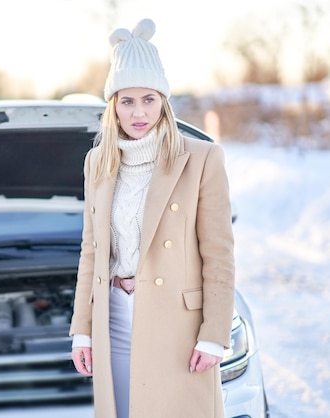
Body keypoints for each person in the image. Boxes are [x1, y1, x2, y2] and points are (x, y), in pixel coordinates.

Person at [69, 19, 235, 418]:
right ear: (113, 106)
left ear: (163, 100)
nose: (139, 112)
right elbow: (91, 252)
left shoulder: (201, 159)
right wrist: (82, 329)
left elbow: (219, 254)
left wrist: (213, 335)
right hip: (114, 318)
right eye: (127, 101)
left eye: (149, 99)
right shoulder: (98, 162)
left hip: (177, 324)